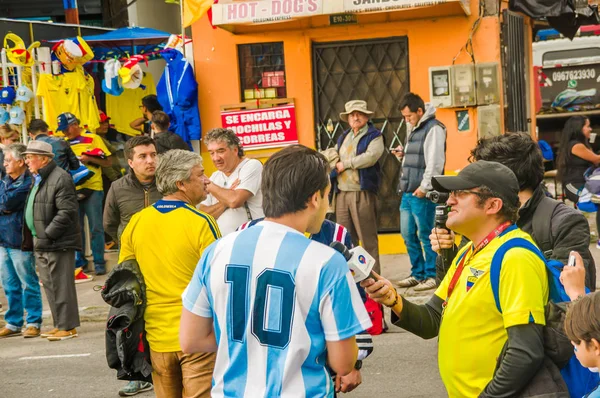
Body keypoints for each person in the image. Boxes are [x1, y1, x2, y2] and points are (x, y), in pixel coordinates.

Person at [180, 145, 371, 397]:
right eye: (327, 196)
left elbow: (191, 340)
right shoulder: (327, 261)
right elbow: (343, 362)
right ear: (315, 198)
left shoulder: (217, 251)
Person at [362, 161, 551, 397]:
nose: (449, 200)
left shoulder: (515, 257)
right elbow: (432, 320)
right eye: (451, 193)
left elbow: (526, 352)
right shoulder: (469, 250)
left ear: (493, 205)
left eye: (460, 194)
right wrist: (392, 299)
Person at [432, 132, 596, 290]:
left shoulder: (563, 222)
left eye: (480, 173)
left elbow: (573, 297)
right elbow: (454, 295)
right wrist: (447, 253)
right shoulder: (480, 219)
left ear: (502, 177)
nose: (451, 200)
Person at [119, 149, 219, 398]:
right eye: (201, 174)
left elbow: (126, 281)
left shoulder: (137, 222)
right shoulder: (200, 221)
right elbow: (219, 282)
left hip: (157, 338)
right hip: (198, 337)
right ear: (181, 184)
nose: (207, 180)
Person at [237, 216, 374, 394]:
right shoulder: (245, 231)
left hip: (312, 368)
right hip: (259, 367)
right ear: (315, 198)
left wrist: (354, 363)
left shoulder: (335, 234)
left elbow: (353, 299)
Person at [103, 136, 158, 397]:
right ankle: (138, 374)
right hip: (132, 265)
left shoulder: (168, 184)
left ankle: (164, 370)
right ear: (130, 162)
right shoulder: (118, 188)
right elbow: (109, 224)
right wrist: (129, 246)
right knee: (132, 320)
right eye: (143, 156)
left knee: (161, 318)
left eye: (153, 154)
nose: (150, 160)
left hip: (163, 260)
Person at [23, 140, 81, 341]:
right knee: (51, 286)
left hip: (56, 241)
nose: (27, 161)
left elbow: (67, 211)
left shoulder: (60, 177)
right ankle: (60, 325)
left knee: (62, 285)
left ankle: (67, 326)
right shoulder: (39, 177)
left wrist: (47, 234)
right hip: (42, 241)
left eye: (30, 157)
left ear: (43, 159)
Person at [394, 93, 446, 291]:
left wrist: (425, 188)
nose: (406, 120)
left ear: (419, 111)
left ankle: (432, 275)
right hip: (408, 192)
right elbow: (416, 159)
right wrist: (402, 156)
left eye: (409, 116)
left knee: (426, 234)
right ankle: (417, 273)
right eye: (404, 117)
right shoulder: (414, 128)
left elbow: (435, 162)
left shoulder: (434, 129)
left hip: (421, 192)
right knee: (408, 234)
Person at [58, 112, 113, 276]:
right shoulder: (64, 143)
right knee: (77, 229)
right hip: (73, 190)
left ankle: (99, 263)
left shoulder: (93, 138)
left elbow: (108, 162)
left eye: (66, 129)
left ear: (75, 124)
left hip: (93, 188)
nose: (64, 133)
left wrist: (89, 160)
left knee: (96, 227)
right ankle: (80, 264)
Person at [335, 100, 384, 274]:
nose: (355, 117)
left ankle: (375, 277)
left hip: (361, 193)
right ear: (347, 118)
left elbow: (370, 157)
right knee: (346, 240)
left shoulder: (374, 135)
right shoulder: (344, 136)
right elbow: (335, 155)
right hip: (342, 193)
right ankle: (354, 277)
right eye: (352, 114)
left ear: (366, 116)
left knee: (367, 238)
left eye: (359, 114)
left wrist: (345, 164)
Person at [0, 144, 43, 339]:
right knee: (9, 284)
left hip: (20, 240)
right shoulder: (5, 181)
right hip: (3, 240)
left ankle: (33, 321)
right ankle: (14, 322)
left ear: (19, 162)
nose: (4, 164)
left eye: (8, 160)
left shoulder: (29, 182)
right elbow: (6, 204)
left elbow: (8, 203)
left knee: (28, 283)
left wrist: (6, 205)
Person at [198, 128, 264, 235]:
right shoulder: (215, 176)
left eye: (221, 151)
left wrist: (209, 185)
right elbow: (203, 215)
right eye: (211, 153)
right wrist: (225, 200)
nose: (216, 158)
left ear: (235, 150)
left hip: (251, 238)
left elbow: (234, 201)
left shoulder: (251, 166)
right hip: (224, 243)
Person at [557, 116, 600, 248]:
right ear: (578, 128)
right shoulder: (576, 146)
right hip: (575, 186)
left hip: (587, 185)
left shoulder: (583, 144)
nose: (590, 129)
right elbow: (597, 160)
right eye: (587, 126)